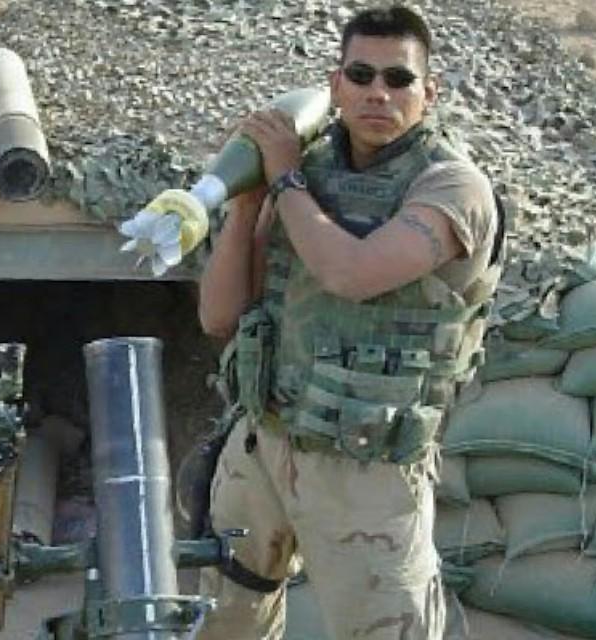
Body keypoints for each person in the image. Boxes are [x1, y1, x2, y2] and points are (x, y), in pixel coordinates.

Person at [197, 5, 502, 639]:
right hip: (264, 440)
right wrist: (248, 199)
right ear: (336, 85)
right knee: (225, 622)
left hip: (367, 468)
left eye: (399, 79)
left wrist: (284, 180)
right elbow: (220, 315)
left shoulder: (452, 187)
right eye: (361, 75)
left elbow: (351, 274)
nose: (378, 93)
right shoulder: (304, 173)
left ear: (429, 93)